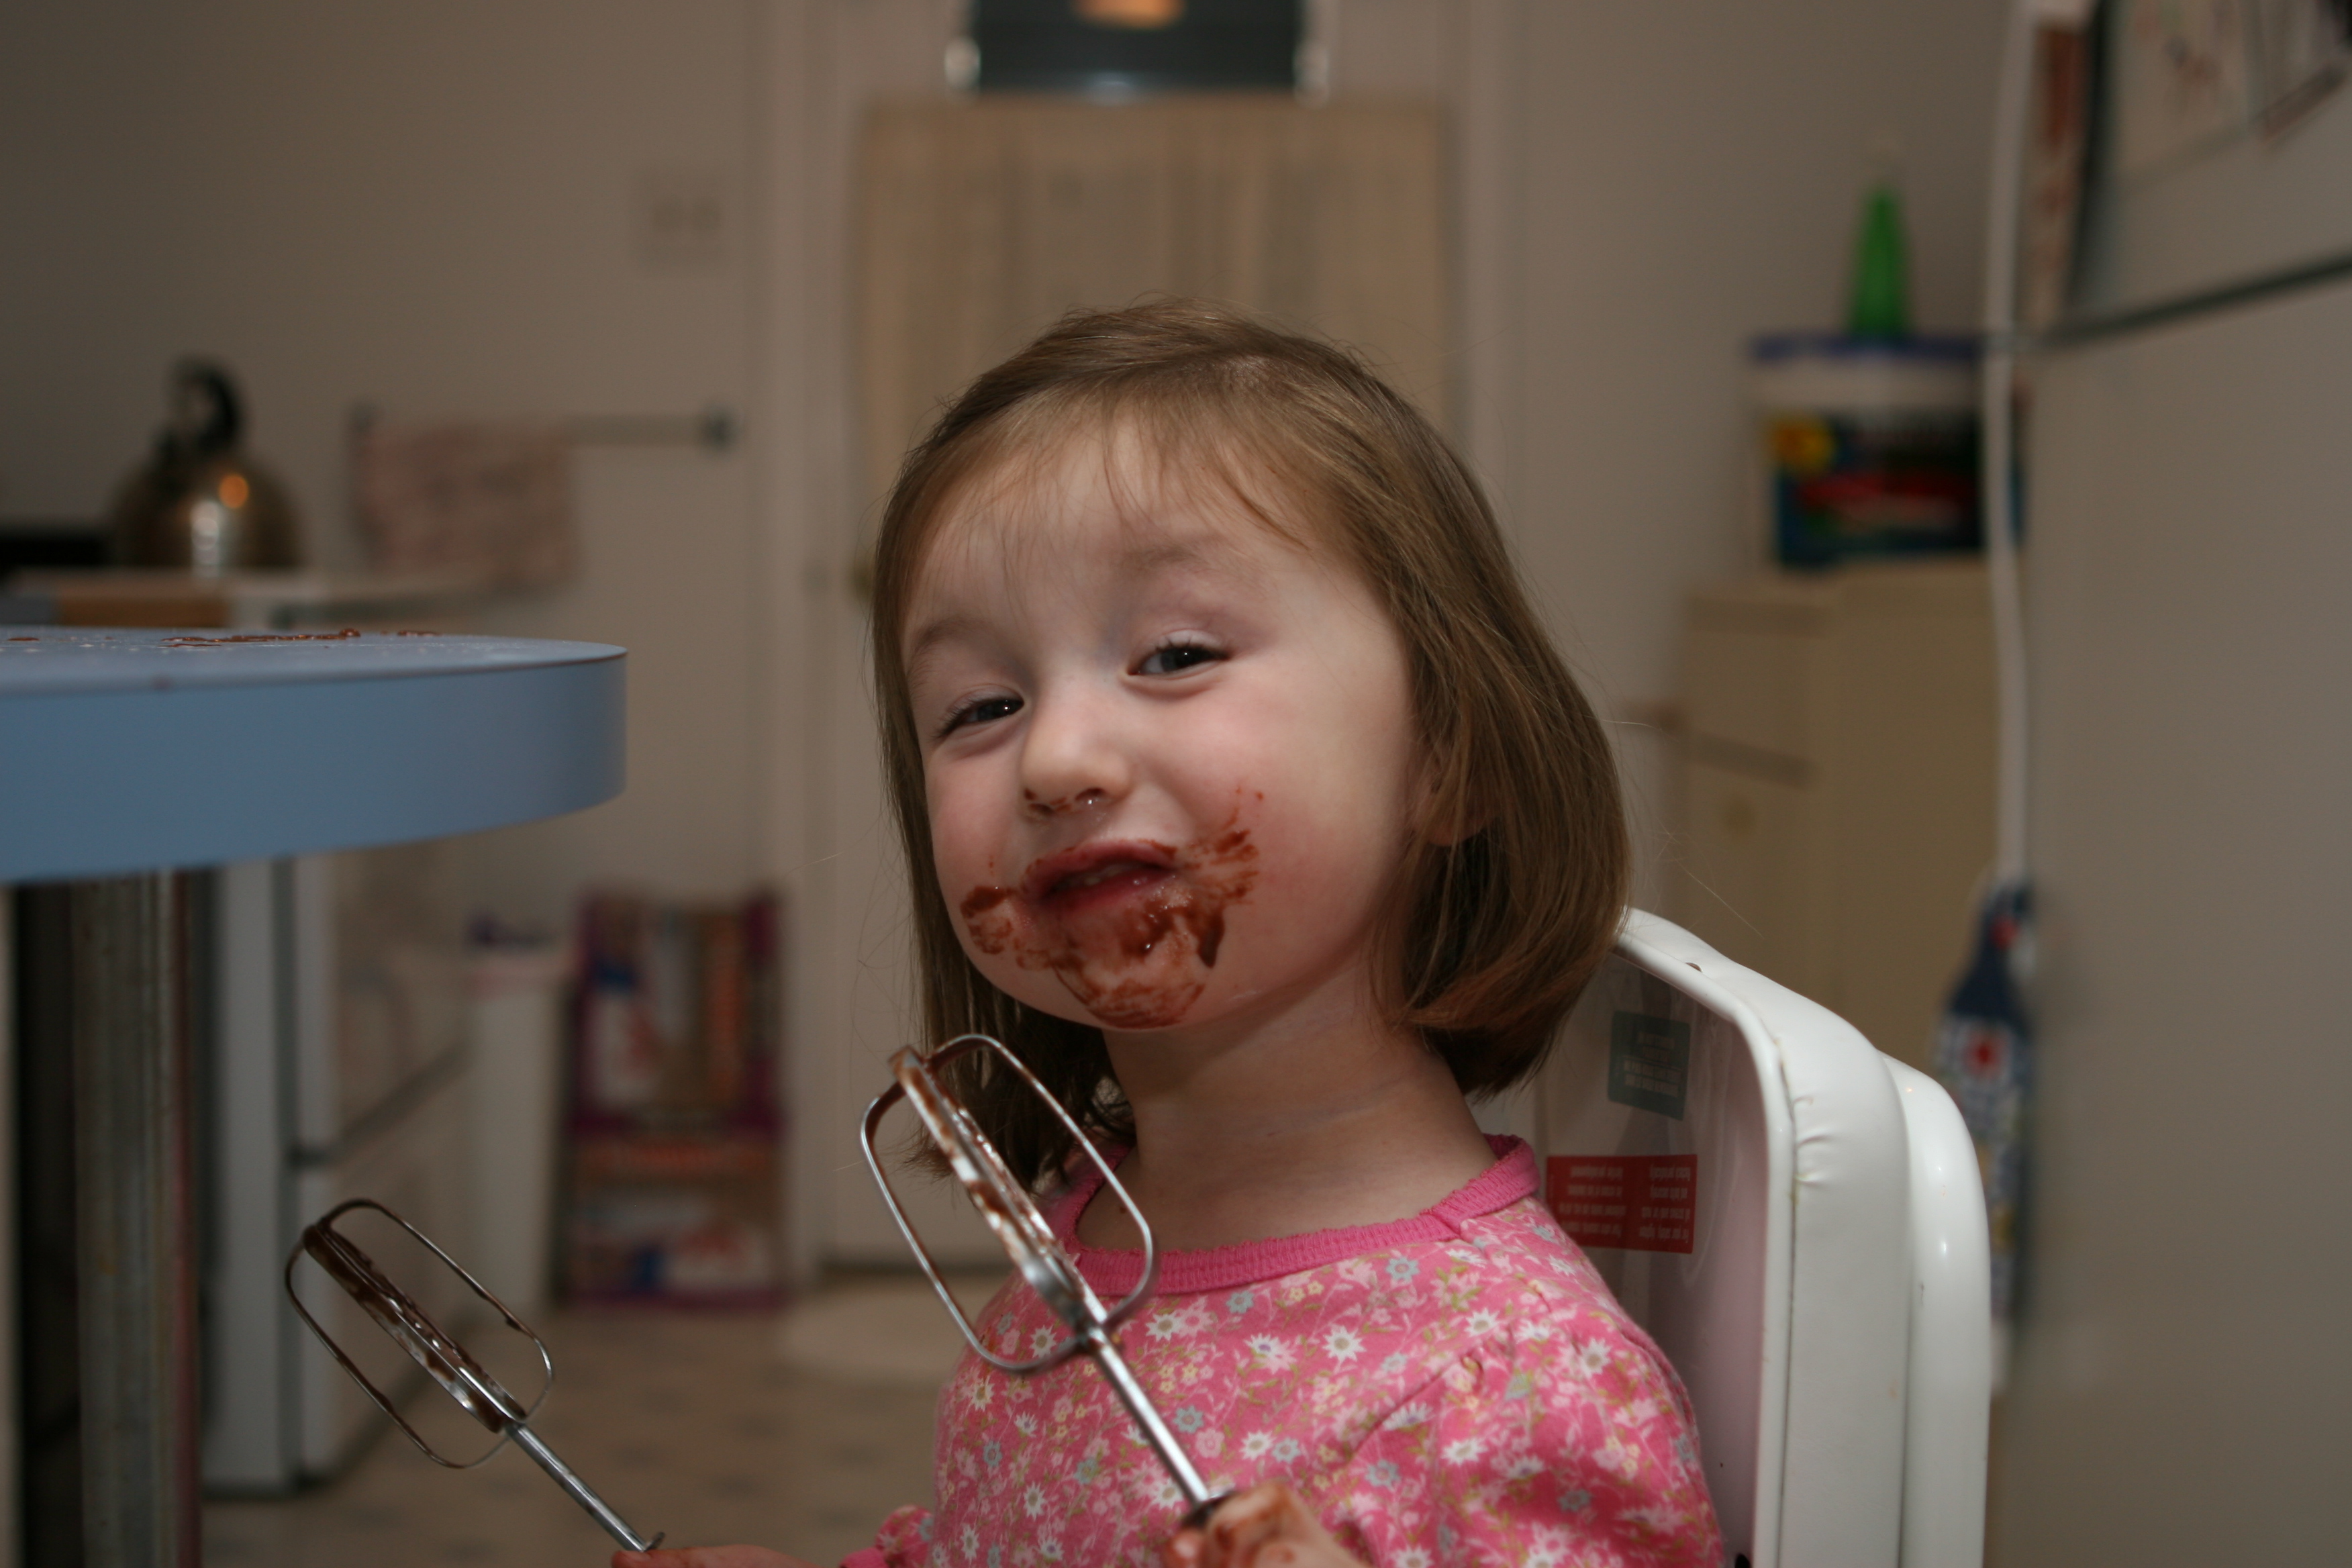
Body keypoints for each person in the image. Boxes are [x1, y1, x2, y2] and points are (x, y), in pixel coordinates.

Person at [620, 301, 1723, 1568]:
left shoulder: (1521, 1383)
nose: (1056, 757)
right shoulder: (1080, 1231)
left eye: (1176, 653)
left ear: (1449, 755)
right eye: (980, 706)